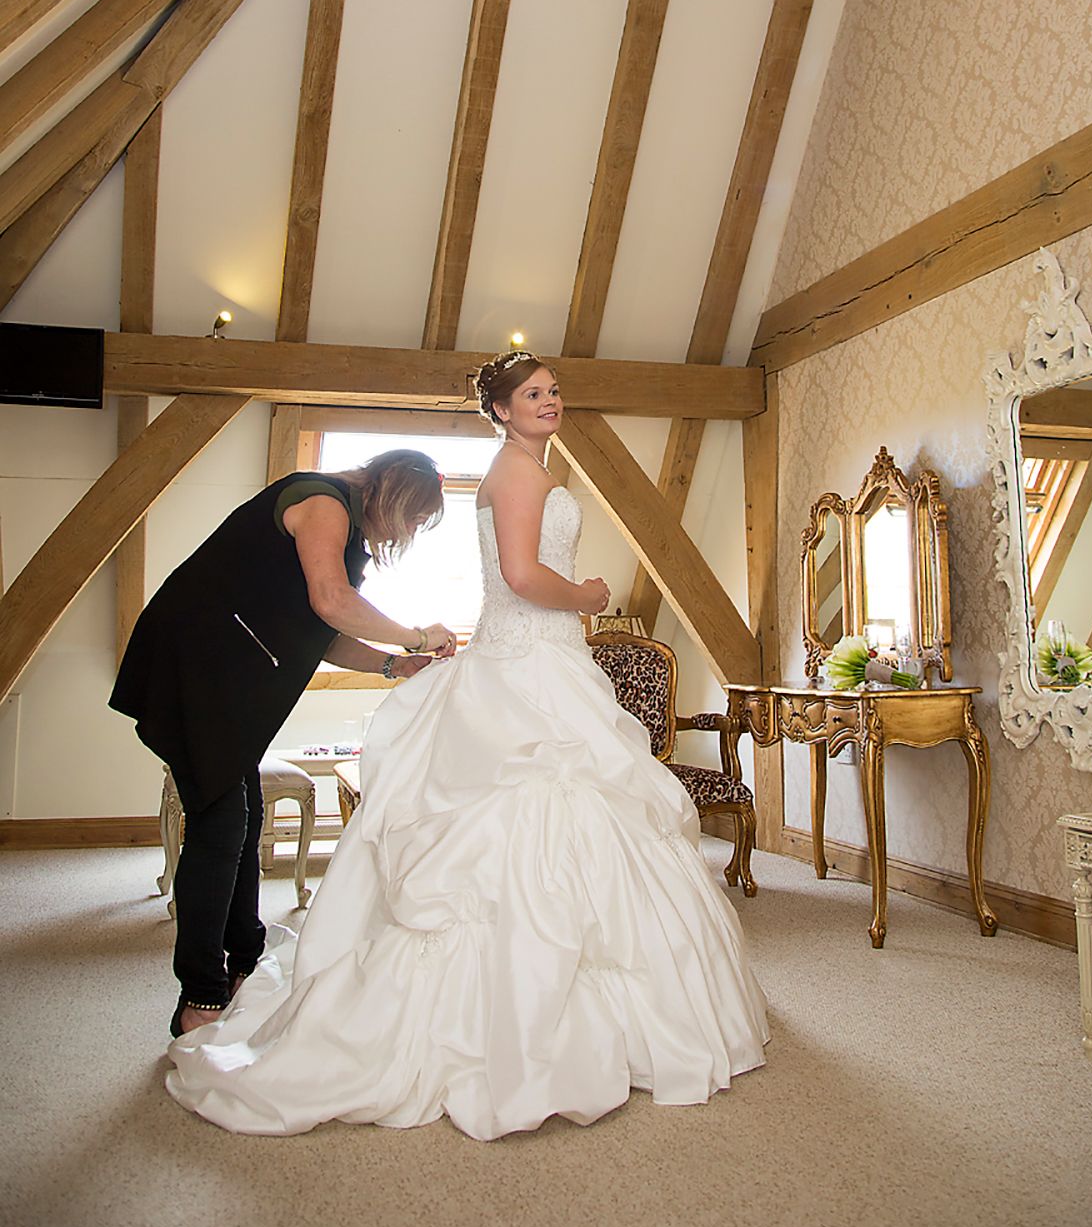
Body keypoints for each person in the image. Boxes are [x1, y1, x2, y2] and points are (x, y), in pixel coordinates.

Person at [164, 354, 768, 1139]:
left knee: (570, 820)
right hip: (530, 659)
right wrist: (588, 596)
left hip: (544, 660)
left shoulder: (526, 471)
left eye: (554, 391)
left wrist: (400, 660)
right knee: (528, 818)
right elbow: (520, 576)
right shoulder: (513, 473)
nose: (549, 401)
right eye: (532, 394)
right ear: (502, 411)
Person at [110, 451, 454, 1038]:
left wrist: (395, 665)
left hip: (226, 680)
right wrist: (417, 634)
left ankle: (244, 960)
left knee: (244, 817)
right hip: (195, 665)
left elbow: (324, 633)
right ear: (393, 496)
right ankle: (199, 995)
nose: (411, 531)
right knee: (220, 826)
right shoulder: (323, 502)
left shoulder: (346, 529)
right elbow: (332, 601)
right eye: (415, 518)